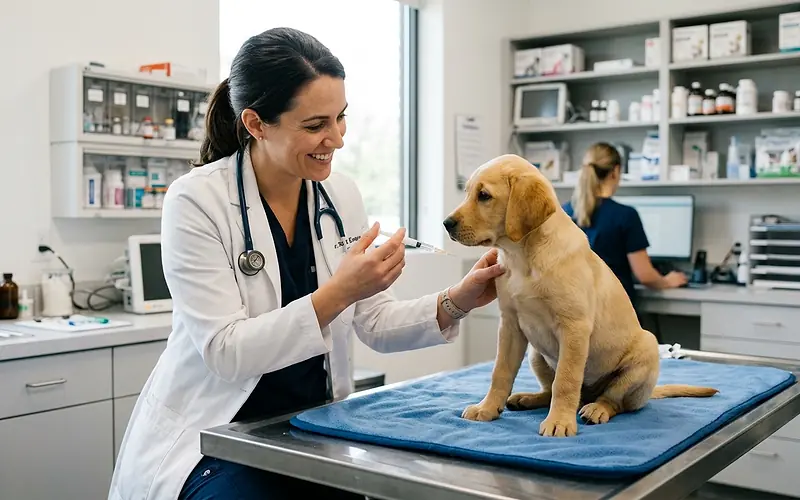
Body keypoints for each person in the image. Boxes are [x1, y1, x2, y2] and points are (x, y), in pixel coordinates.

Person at [108, 27, 505, 500]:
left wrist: (456, 301)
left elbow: (373, 321)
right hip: (215, 436)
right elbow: (225, 352)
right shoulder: (196, 200)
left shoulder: (340, 194)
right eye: (316, 125)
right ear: (256, 124)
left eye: (341, 119)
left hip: (311, 430)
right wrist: (340, 291)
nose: (335, 139)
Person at [561, 142, 687, 307]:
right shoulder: (625, 216)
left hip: (574, 312)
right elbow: (645, 276)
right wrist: (668, 281)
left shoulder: (564, 213)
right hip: (613, 316)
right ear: (616, 172)